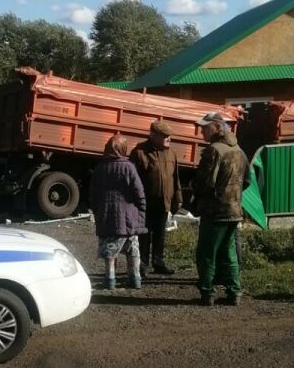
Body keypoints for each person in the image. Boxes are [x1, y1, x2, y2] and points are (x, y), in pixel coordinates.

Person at [191, 112, 251, 306]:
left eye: (205, 128)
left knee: (207, 253)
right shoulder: (240, 150)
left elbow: (204, 182)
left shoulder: (213, 151)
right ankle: (234, 292)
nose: (201, 132)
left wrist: (196, 192)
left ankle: (207, 292)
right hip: (234, 211)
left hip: (214, 211)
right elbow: (248, 180)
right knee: (229, 252)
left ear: (217, 127)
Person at [89, 134, 146, 290]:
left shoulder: (100, 168)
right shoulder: (129, 167)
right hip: (129, 216)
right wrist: (141, 210)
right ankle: (135, 279)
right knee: (133, 248)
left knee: (109, 250)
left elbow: (93, 194)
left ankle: (110, 280)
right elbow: (138, 191)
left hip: (107, 215)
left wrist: (97, 210)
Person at [130, 120, 182, 275]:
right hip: (145, 203)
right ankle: (143, 265)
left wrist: (178, 198)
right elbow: (133, 180)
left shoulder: (171, 153)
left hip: (164, 202)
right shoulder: (139, 152)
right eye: (165, 136)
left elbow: (175, 178)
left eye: (169, 136)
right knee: (144, 235)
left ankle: (158, 262)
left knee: (160, 234)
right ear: (153, 135)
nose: (169, 139)